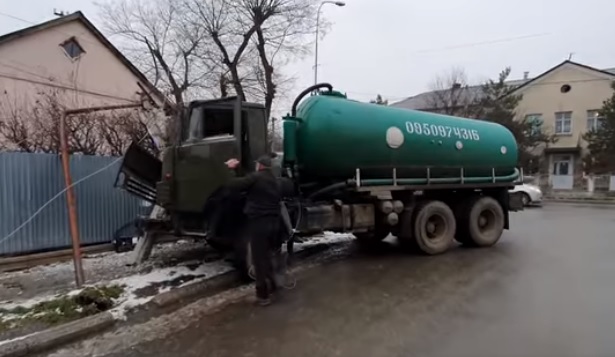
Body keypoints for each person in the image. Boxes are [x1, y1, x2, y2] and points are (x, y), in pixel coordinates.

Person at [225, 154, 283, 306]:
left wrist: (231, 169)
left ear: (261, 166)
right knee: (269, 255)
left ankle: (263, 296)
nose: (256, 166)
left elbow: (233, 185)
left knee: (259, 260)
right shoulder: (275, 181)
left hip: (260, 225)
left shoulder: (257, 178)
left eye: (257, 164)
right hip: (274, 224)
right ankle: (275, 286)